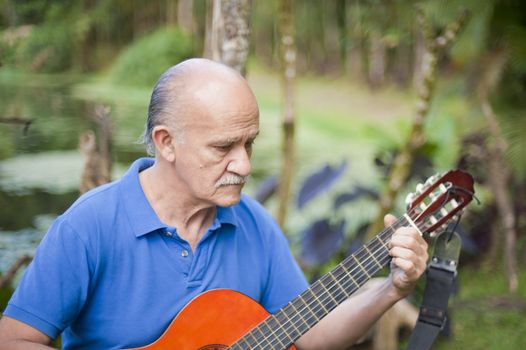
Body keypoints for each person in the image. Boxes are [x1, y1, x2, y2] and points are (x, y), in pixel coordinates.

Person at [0, 58, 428, 349]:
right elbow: (13, 338)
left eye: (249, 143)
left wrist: (393, 288)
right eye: (223, 147)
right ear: (167, 142)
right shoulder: (88, 226)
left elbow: (312, 336)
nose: (243, 164)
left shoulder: (254, 224)